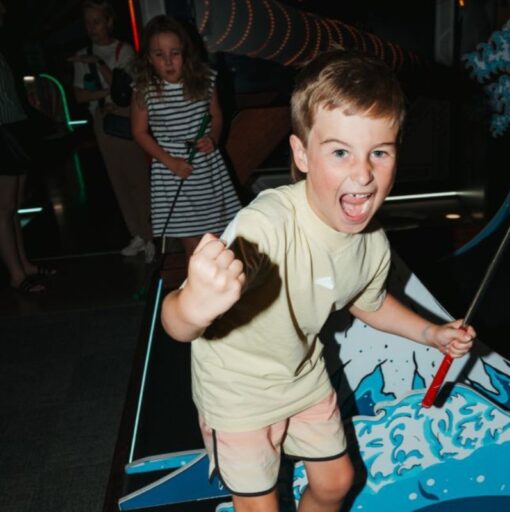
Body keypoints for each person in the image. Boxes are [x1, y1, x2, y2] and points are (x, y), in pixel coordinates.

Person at [160, 48, 477, 512]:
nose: (364, 173)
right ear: (302, 154)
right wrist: (194, 306)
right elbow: (175, 323)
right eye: (341, 152)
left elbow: (367, 303)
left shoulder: (371, 241)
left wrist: (430, 332)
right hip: (238, 389)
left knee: (335, 481)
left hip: (301, 373)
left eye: (380, 152)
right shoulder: (264, 227)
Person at [130, 15, 241, 263]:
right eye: (159, 55)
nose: (168, 61)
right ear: (148, 58)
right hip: (171, 171)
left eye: (175, 53)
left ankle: (225, 296)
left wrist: (212, 137)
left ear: (186, 54)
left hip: (207, 169)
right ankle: (200, 297)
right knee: (193, 248)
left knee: (219, 241)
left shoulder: (205, 80)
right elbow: (138, 132)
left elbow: (216, 116)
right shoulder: (144, 89)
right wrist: (169, 162)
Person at [70, 0, 154, 262]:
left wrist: (98, 65)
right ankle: (137, 234)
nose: (92, 28)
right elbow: (80, 95)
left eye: (96, 21)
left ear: (108, 21)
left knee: (138, 178)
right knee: (118, 181)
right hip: (102, 121)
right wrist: (106, 93)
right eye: (87, 22)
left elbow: (124, 90)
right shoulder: (81, 54)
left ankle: (150, 235)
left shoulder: (123, 50)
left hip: (125, 118)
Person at [0, 0, 55, 294]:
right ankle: (16, 274)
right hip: (2, 132)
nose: (4, 11)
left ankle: (24, 264)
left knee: (14, 206)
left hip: (13, 128)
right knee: (4, 207)